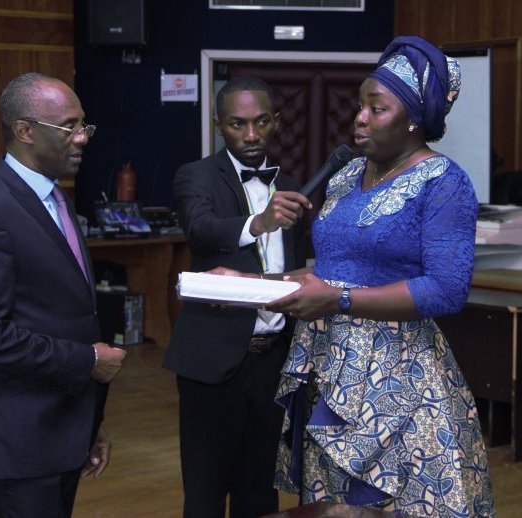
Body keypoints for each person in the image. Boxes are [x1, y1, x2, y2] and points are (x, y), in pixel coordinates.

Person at [212, 37, 495, 516]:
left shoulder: (444, 182)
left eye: (376, 109)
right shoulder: (347, 176)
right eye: (360, 106)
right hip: (329, 368)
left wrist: (339, 300)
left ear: (413, 119)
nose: (359, 118)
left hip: (400, 382)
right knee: (333, 507)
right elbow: (327, 271)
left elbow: (446, 290)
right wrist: (247, 285)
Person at [0, 72, 127, 518]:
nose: (82, 138)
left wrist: (88, 425)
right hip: (20, 440)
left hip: (63, 428)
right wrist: (88, 361)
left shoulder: (57, 199)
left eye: (84, 125)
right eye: (69, 127)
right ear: (25, 131)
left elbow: (64, 312)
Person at [162, 76, 311, 518]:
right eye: (237, 124)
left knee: (261, 492)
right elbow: (200, 229)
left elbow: (296, 266)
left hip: (275, 360)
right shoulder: (196, 175)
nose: (250, 134)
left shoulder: (291, 185)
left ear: (276, 122)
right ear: (218, 126)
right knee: (205, 494)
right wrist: (258, 222)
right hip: (213, 360)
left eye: (261, 122)